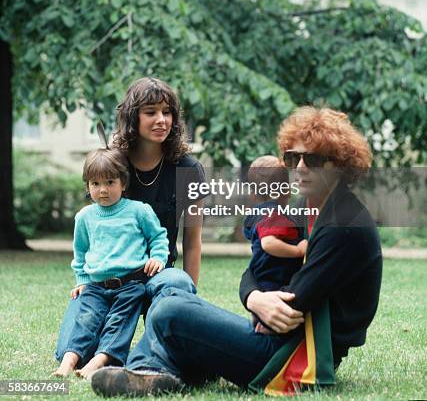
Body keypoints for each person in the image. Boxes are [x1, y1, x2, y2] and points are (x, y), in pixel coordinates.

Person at [90, 106, 382, 397]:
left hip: (294, 357)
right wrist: (254, 298)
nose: (300, 167)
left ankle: (148, 370)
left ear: (340, 164)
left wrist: (267, 307)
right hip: (283, 340)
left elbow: (291, 307)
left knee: (169, 309)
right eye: (293, 157)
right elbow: (255, 270)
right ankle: (159, 371)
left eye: (314, 159)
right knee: (175, 298)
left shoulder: (344, 223)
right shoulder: (307, 209)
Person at [55, 77, 204, 366]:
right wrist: (85, 282)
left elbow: (193, 242)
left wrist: (189, 301)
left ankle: (167, 339)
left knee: (176, 287)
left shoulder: (189, 169)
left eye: (167, 112)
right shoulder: (113, 164)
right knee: (70, 354)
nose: (161, 120)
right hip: (109, 279)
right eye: (150, 112)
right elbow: (97, 229)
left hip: (157, 272)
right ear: (132, 117)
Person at [54, 148, 169, 379]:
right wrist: (83, 281)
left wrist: (158, 257)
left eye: (110, 182)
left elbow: (158, 237)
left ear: (123, 183)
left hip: (131, 284)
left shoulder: (138, 211)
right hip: (96, 286)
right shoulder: (85, 217)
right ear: (87, 186)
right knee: (85, 321)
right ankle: (68, 362)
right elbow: (81, 252)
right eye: (95, 183)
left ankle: (99, 362)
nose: (103, 190)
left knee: (119, 323)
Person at [243, 156, 307, 303]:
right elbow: (269, 243)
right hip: (273, 281)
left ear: (253, 195)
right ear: (286, 191)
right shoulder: (272, 215)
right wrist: (297, 250)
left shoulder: (259, 215)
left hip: (263, 280)